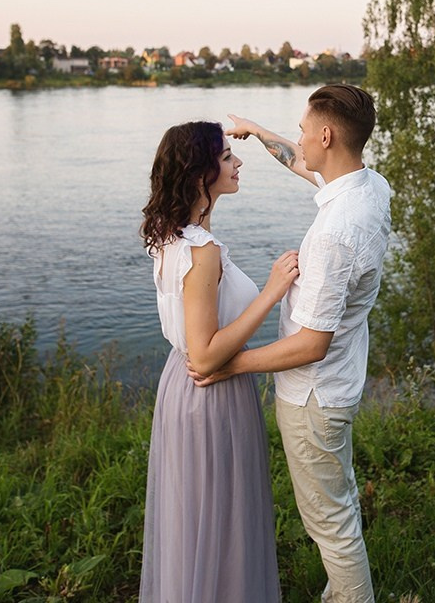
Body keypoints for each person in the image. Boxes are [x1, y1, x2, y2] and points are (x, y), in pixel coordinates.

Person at [189, 85, 392, 603]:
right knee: (338, 503)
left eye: (304, 129)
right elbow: (305, 164)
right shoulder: (368, 187)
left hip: (312, 396)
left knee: (329, 522)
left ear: (326, 134)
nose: (300, 138)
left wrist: (230, 364)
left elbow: (310, 345)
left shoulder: (332, 235)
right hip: (339, 385)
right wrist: (257, 134)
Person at [138, 120, 300, 603]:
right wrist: (271, 293)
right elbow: (206, 353)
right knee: (221, 518)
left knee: (195, 517)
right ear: (199, 173)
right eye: (227, 156)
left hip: (179, 387)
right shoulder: (201, 250)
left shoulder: (171, 236)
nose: (237, 162)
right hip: (211, 393)